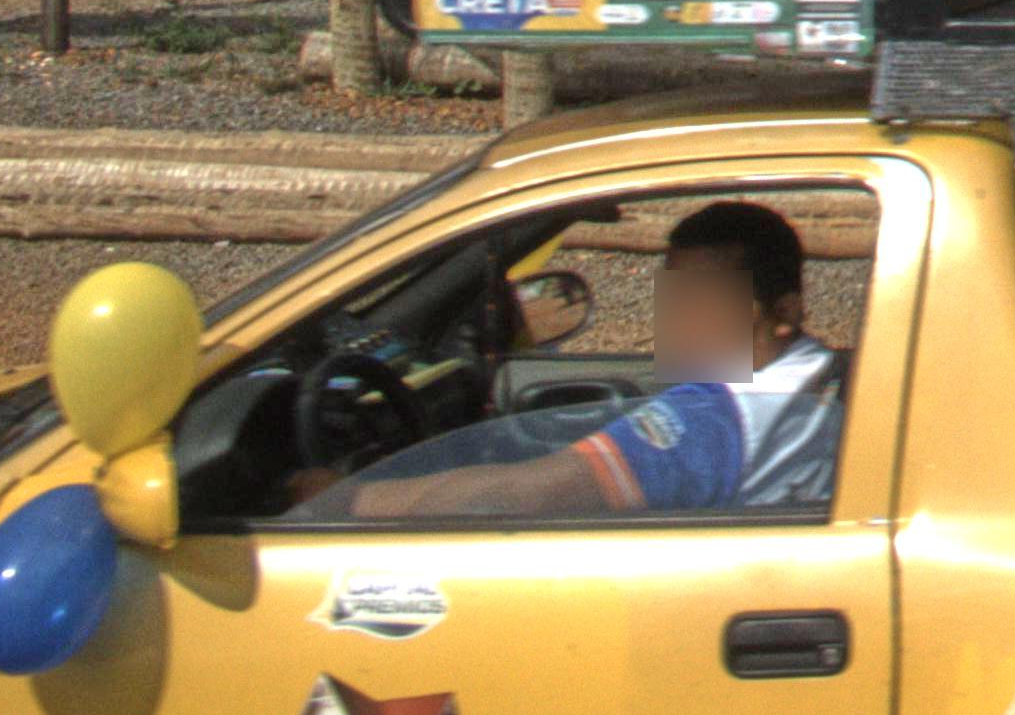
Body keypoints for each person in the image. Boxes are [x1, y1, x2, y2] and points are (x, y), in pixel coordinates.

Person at [333, 201, 842, 520]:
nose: (675, 326)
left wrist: (344, 500)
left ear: (784, 313)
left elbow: (516, 498)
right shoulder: (818, 375)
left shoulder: (714, 418)